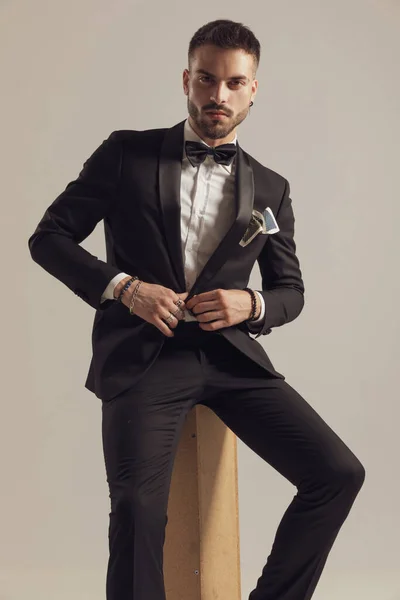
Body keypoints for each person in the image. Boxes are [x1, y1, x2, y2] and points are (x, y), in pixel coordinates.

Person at [28, 18, 365, 600]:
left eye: (235, 83)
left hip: (231, 359)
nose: (219, 96)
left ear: (254, 89)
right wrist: (125, 287)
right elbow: (49, 238)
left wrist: (251, 302)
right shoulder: (124, 154)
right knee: (136, 506)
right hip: (145, 356)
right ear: (187, 79)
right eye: (207, 80)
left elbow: (291, 291)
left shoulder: (270, 187)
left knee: (337, 474)